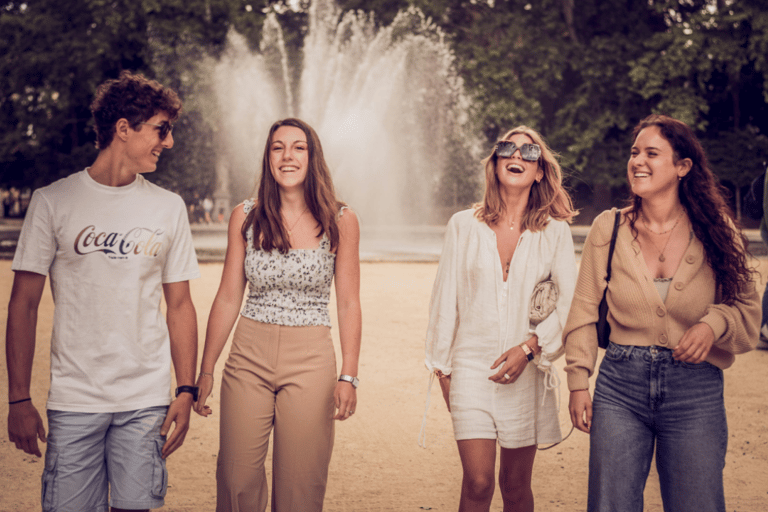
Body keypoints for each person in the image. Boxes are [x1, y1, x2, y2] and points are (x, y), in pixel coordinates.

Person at [6, 71, 200, 512]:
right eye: (161, 129)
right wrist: (19, 398)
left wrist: (185, 390)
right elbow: (24, 304)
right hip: (75, 399)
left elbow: (180, 305)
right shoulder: (53, 201)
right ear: (124, 128)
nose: (167, 142)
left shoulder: (169, 207)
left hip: (145, 399)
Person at [564, 114, 760, 512]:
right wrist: (578, 381)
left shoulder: (716, 231)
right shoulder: (609, 228)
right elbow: (584, 309)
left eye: (652, 153)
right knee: (610, 505)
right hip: (619, 387)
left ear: (682, 167)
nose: (638, 161)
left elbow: (748, 312)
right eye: (634, 152)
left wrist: (712, 324)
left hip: (696, 390)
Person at [193, 118, 362, 511]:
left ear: (312, 156)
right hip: (248, 355)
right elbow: (228, 297)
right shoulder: (246, 216)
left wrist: (348, 375)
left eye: (298, 147)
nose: (288, 156)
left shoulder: (342, 220)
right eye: (277, 147)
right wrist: (206, 369)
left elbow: (349, 302)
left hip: (311, 358)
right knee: (236, 480)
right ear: (268, 158)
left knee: (300, 487)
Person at [424, 126, 578, 511]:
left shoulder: (555, 233)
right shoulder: (463, 226)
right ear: (494, 164)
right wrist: (442, 370)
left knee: (514, 486)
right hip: (471, 369)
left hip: (526, 372)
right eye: (507, 148)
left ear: (540, 171)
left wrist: (530, 348)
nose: (517, 155)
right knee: (477, 483)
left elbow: (569, 304)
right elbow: (445, 300)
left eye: (529, 152)